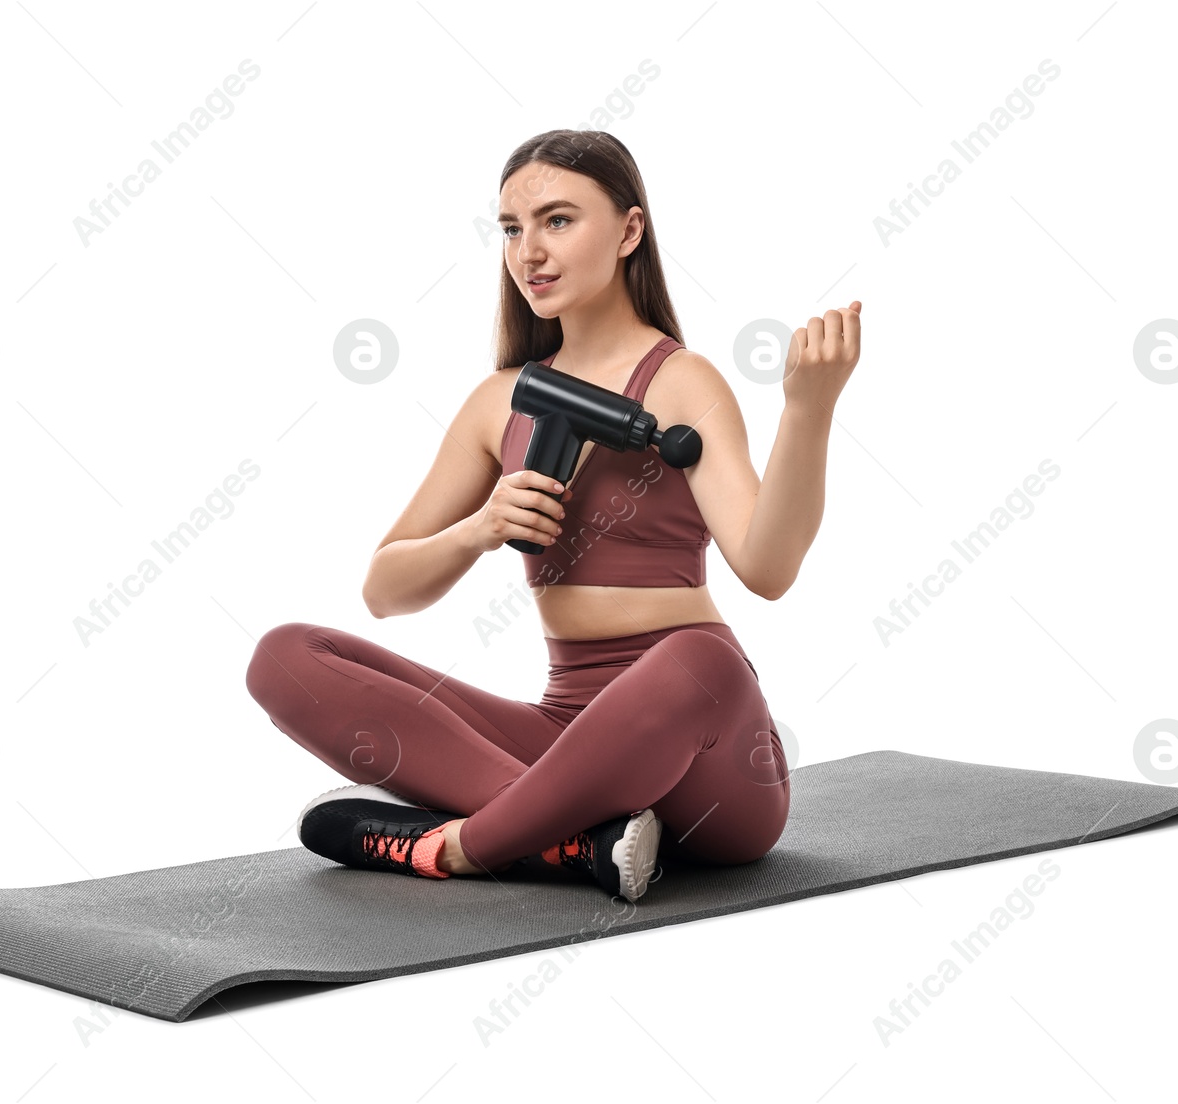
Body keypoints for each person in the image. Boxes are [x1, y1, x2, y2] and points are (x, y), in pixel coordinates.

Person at [245, 128, 862, 902]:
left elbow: (767, 571)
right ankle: (576, 841)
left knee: (700, 664)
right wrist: (480, 529)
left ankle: (465, 848)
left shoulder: (679, 383)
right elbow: (384, 589)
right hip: (563, 737)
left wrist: (808, 413)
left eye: (558, 221)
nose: (529, 251)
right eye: (511, 228)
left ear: (629, 231)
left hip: (708, 768)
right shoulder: (499, 401)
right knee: (284, 656)